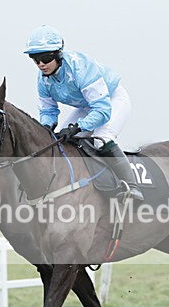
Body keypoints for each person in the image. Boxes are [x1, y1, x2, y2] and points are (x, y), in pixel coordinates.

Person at [23, 25, 143, 200]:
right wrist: (45, 129)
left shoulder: (80, 68)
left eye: (46, 57)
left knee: (102, 139)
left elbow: (102, 111)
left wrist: (77, 127)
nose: (41, 64)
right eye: (35, 59)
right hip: (86, 106)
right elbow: (49, 110)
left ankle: (132, 186)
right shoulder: (43, 79)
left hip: (111, 100)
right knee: (58, 142)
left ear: (58, 54)